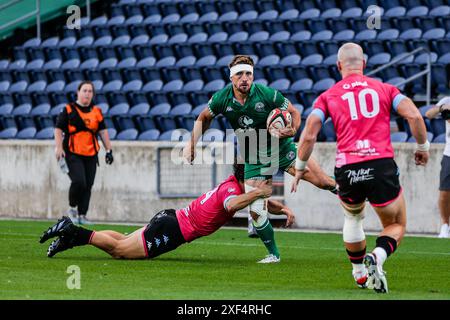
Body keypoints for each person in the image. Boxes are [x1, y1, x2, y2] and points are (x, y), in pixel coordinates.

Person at [291, 43, 430, 293]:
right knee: (396, 224)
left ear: (338, 66)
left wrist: (300, 166)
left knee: (353, 216)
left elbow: (310, 133)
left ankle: (359, 274)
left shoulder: (328, 96)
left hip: (347, 169)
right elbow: (415, 116)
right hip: (380, 165)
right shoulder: (385, 89)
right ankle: (377, 256)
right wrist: (422, 147)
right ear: (364, 64)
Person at [183, 55, 337, 263]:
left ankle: (348, 192)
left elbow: (293, 112)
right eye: (240, 74)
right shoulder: (222, 98)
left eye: (248, 74)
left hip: (281, 148)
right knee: (256, 209)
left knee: (323, 182)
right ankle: (274, 255)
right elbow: (204, 117)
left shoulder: (266, 94)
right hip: (254, 155)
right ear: (232, 78)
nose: (245, 78)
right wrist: (191, 143)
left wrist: (292, 129)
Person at [39, 163, 295, 259]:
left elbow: (252, 200)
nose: (262, 183)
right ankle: (72, 230)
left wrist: (280, 207)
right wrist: (259, 193)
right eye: (257, 179)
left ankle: (70, 240)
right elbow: (233, 205)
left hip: (171, 219)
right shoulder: (231, 192)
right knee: (119, 252)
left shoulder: (236, 187)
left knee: (122, 241)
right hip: (173, 229)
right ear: (246, 179)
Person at [54, 81, 113, 225]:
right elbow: (58, 129)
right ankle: (72, 209)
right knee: (79, 181)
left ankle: (82, 215)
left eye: (90, 91)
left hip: (91, 153)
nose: (87, 93)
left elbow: (103, 132)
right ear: (78, 92)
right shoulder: (68, 109)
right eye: (84, 90)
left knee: (88, 185)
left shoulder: (96, 112)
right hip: (73, 152)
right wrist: (59, 147)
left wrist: (109, 150)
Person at [425, 96, 450, 238]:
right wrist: (443, 108)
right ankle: (445, 226)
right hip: (449, 154)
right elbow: (428, 114)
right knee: (445, 191)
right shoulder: (447, 100)